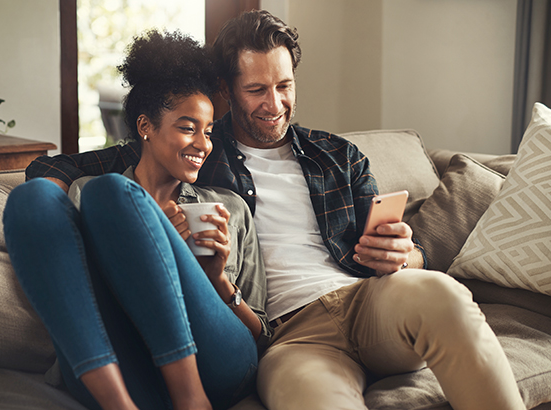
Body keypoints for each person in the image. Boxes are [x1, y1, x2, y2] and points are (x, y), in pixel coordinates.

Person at [26, 11, 525, 410]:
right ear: (227, 91)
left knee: (443, 293)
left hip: (370, 300)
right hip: (289, 339)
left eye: (284, 86)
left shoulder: (337, 155)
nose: (275, 104)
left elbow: (408, 250)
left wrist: (404, 255)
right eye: (257, 90)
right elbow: (58, 169)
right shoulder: (194, 148)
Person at [3, 30, 270, 410]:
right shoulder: (86, 193)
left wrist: (216, 279)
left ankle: (191, 399)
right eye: (187, 127)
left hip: (218, 362)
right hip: (128, 366)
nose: (203, 144)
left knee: (111, 192)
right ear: (145, 126)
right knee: (32, 198)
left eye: (208, 131)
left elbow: (262, 336)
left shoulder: (229, 208)